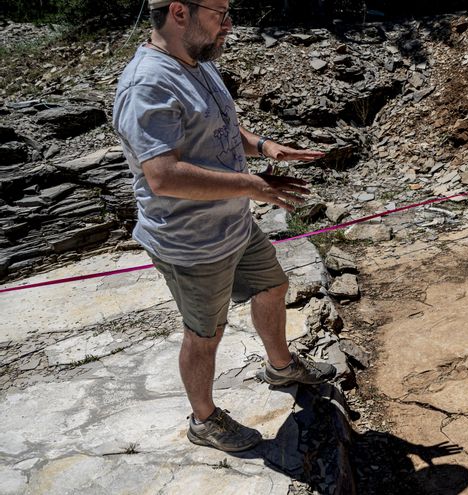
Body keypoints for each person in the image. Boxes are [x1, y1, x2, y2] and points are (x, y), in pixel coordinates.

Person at [112, 0, 336, 452]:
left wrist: (265, 147)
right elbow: (163, 175)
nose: (229, 24)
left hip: (232, 222)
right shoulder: (148, 84)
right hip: (190, 241)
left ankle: (280, 366)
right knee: (205, 333)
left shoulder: (195, 63)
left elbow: (218, 131)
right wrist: (253, 185)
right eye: (220, 13)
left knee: (272, 286)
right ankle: (204, 421)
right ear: (180, 12)